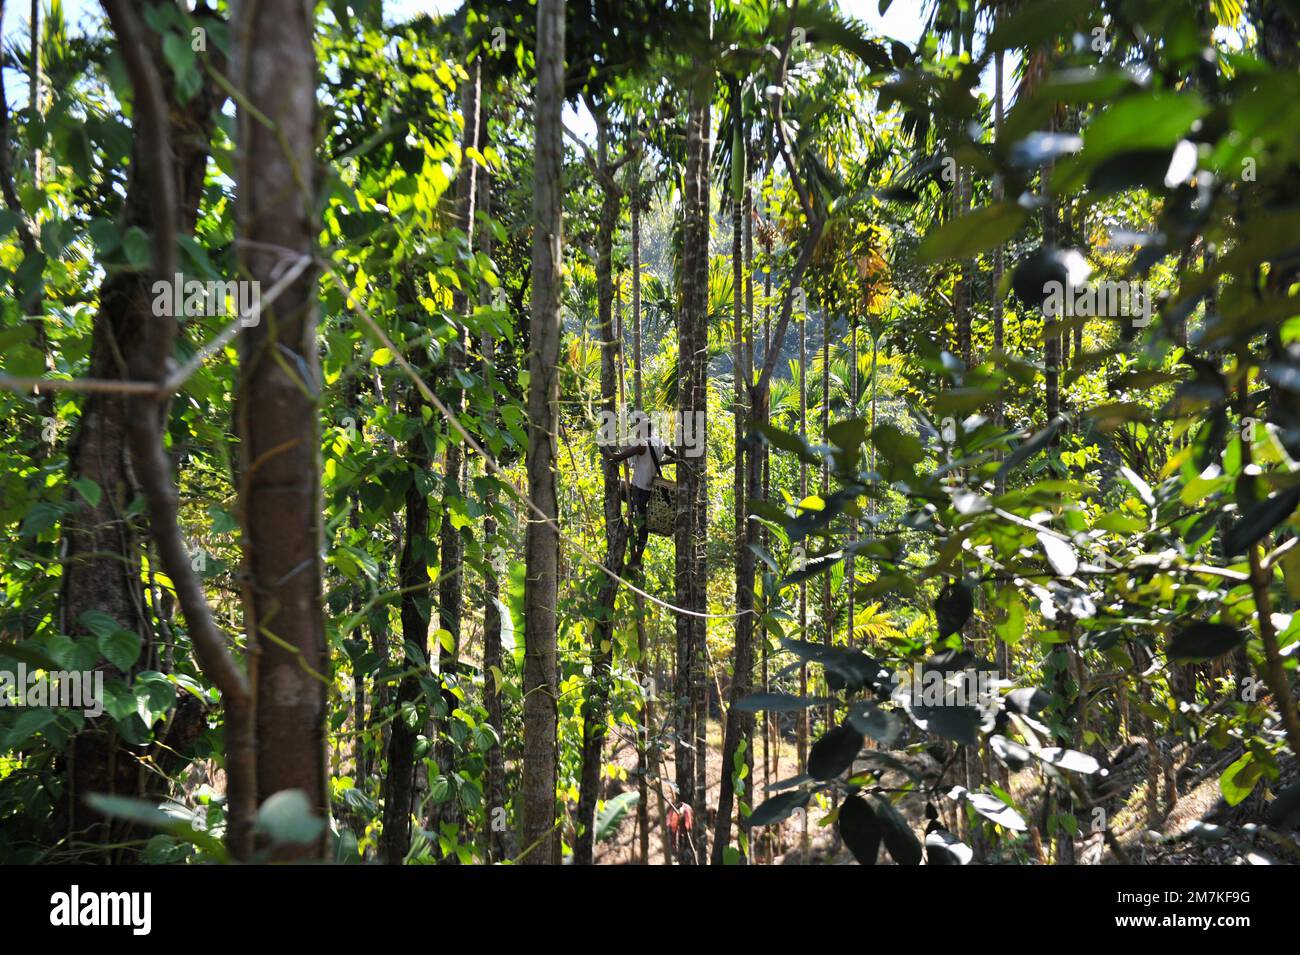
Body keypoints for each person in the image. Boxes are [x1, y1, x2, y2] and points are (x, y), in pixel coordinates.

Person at [601, 411, 674, 571]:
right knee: (622, 489)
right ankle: (631, 512)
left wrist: (606, 451)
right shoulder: (660, 442)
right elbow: (675, 457)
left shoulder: (642, 444)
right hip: (648, 488)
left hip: (639, 489)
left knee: (641, 525)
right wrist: (659, 464)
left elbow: (617, 457)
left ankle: (637, 559)